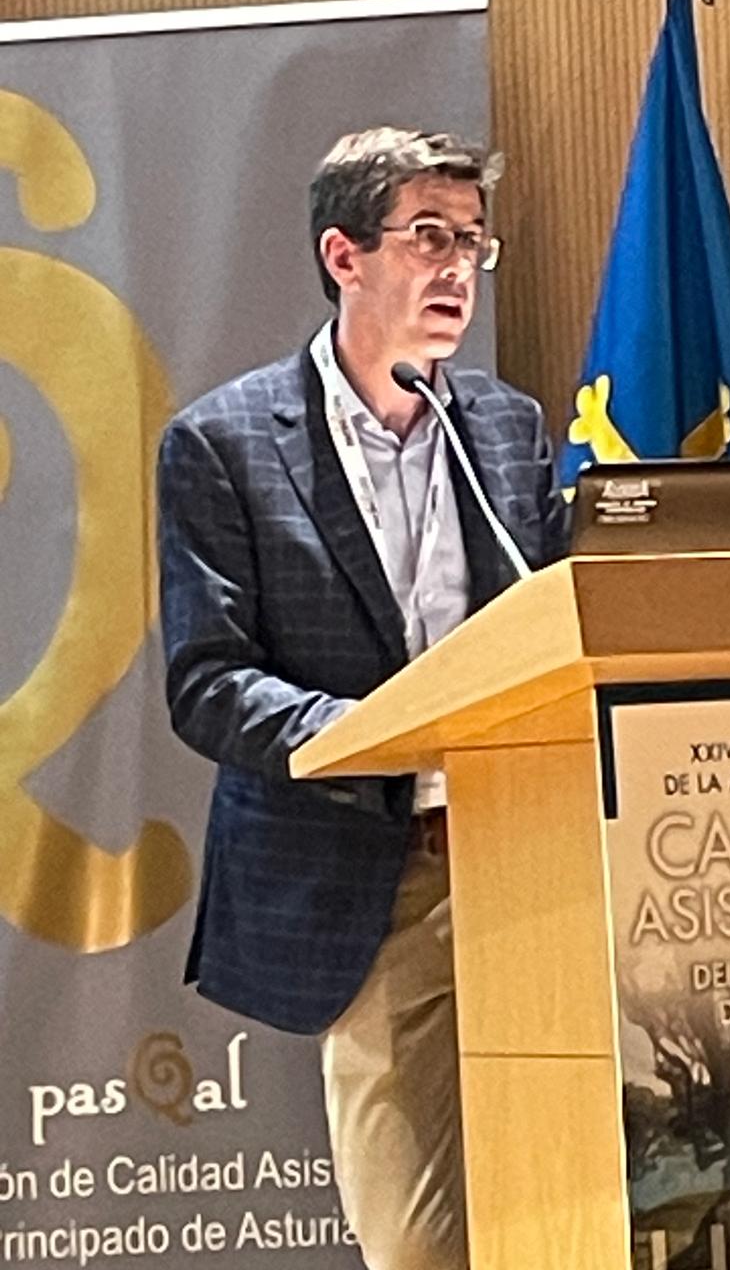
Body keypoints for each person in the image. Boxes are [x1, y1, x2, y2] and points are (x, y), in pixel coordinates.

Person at [157, 128, 569, 1270]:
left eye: (472, 245)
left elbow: (556, 616)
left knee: (573, 1206)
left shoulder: (503, 428)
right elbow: (205, 680)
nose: (455, 271)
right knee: (423, 1239)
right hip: (370, 872)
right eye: (427, 237)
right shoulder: (225, 444)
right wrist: (367, 734)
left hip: (526, 855)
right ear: (344, 254)